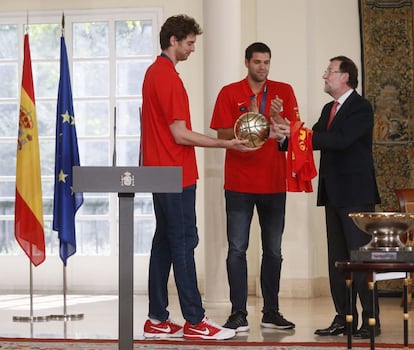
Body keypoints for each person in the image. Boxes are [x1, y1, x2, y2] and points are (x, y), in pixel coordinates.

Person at [140, 14, 255, 341]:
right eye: (189, 42)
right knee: (183, 242)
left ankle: (157, 318)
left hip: (159, 172)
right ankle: (195, 320)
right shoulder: (169, 79)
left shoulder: (152, 74)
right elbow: (179, 133)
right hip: (174, 174)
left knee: (164, 241)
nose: (192, 48)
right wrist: (224, 142)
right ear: (173, 41)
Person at [210, 42, 299, 333]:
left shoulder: (283, 91)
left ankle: (271, 311)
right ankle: (238, 313)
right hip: (239, 182)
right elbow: (221, 132)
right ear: (246, 62)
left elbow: (292, 134)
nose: (263, 67)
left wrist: (277, 121)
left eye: (267, 62)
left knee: (273, 250)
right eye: (258, 62)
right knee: (237, 249)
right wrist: (248, 120)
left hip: (274, 182)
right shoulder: (229, 92)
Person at [310, 56, 381, 339]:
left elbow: (340, 140)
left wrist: (303, 136)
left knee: (360, 260)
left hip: (356, 196)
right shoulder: (329, 108)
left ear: (346, 77)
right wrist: (285, 136)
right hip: (333, 194)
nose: (325, 75)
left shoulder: (362, 108)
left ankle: (371, 319)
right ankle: (344, 318)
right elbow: (313, 137)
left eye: (330, 71)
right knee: (338, 260)